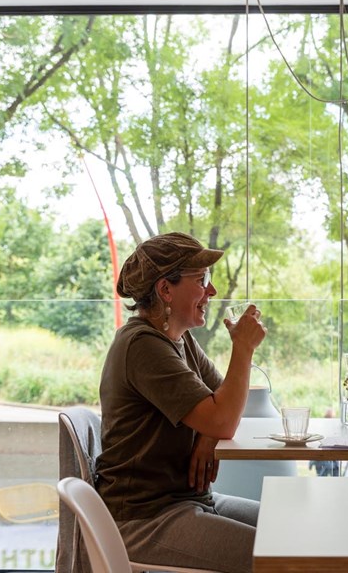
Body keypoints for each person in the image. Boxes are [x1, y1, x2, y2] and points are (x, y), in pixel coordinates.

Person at [94, 232, 267, 573]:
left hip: (188, 500)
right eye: (202, 280)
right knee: (281, 558)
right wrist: (243, 348)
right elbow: (224, 419)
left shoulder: (177, 337)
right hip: (145, 518)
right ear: (166, 290)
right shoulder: (143, 345)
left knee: (291, 535)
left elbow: (224, 402)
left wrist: (206, 435)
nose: (212, 291)